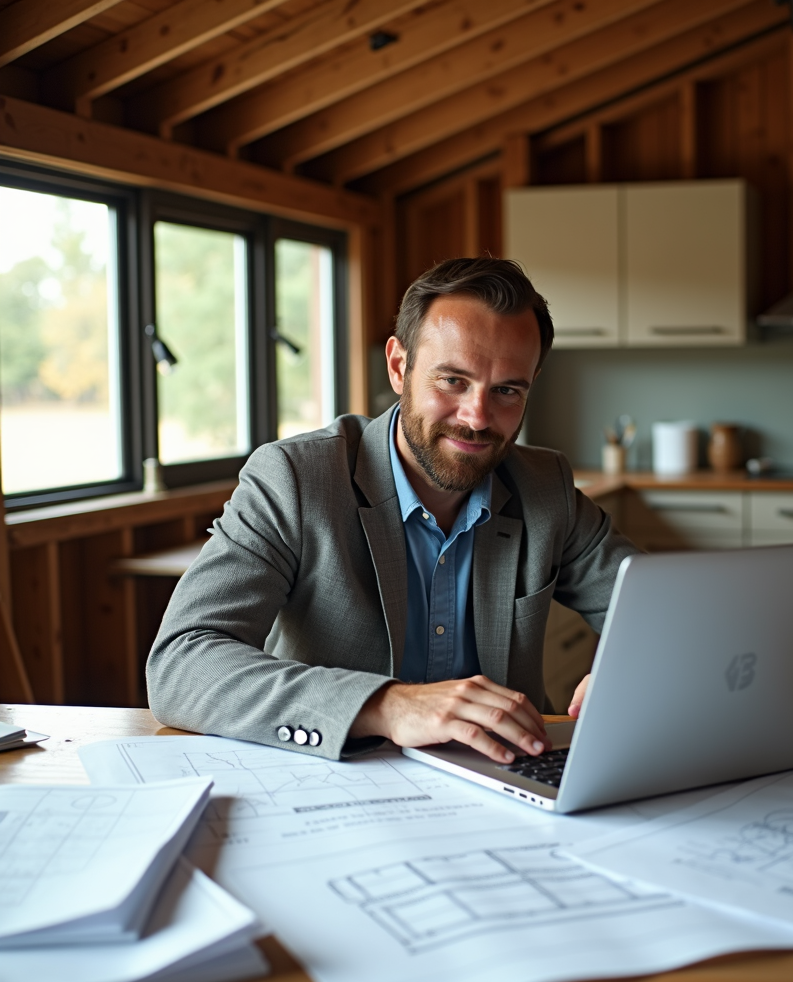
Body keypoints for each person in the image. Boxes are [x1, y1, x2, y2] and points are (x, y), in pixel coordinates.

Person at [148, 257, 637, 763]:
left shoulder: (544, 486)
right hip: (340, 781)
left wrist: (636, 666)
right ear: (399, 365)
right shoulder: (295, 479)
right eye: (452, 381)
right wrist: (386, 704)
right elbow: (182, 663)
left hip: (510, 779)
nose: (477, 417)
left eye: (507, 391)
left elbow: (658, 612)